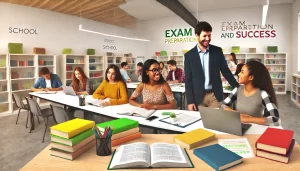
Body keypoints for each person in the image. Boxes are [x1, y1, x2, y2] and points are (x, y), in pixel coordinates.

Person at [184, 21, 238, 110]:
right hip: (198, 97)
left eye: (209, 35)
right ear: (197, 35)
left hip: (215, 95)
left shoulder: (217, 51)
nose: (207, 38)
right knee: (199, 123)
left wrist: (237, 87)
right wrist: (190, 101)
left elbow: (225, 71)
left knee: (214, 122)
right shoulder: (189, 55)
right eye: (204, 36)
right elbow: (188, 80)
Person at [222, 60, 280, 126]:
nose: (238, 74)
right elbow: (223, 105)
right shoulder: (237, 90)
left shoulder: (262, 94)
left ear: (251, 77)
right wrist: (236, 114)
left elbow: (274, 117)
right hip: (238, 127)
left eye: (242, 72)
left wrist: (249, 119)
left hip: (255, 129)